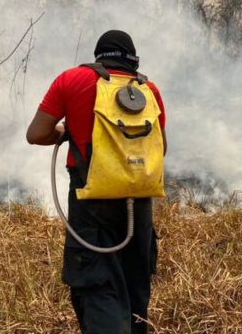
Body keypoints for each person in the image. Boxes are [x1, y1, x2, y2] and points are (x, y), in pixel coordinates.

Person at [26, 30, 167, 334]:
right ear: (133, 59)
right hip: (139, 201)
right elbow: (161, 149)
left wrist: (64, 133)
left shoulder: (72, 80)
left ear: (98, 56)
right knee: (134, 287)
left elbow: (36, 134)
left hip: (91, 199)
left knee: (97, 284)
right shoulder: (149, 89)